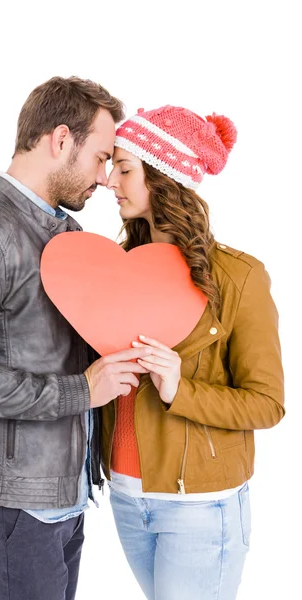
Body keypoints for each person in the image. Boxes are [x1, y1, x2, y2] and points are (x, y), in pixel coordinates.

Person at [0, 76, 153, 600]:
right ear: (60, 140)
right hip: (11, 506)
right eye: (99, 158)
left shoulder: (65, 235)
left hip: (61, 496)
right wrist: (81, 392)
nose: (103, 178)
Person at [102, 105, 285, 600]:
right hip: (126, 496)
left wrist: (180, 389)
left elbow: (267, 404)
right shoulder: (116, 270)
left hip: (199, 508)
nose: (108, 181)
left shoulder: (239, 277)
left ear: (162, 178)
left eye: (123, 169)